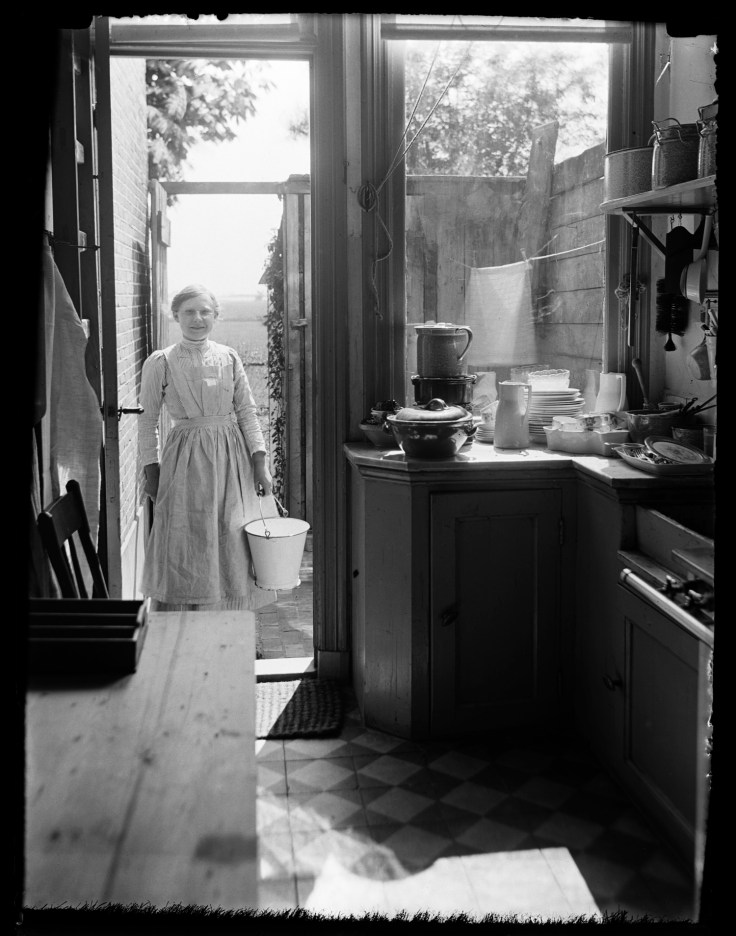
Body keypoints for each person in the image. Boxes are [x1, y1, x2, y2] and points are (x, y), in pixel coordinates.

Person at [138, 283, 277, 610]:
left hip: (232, 458)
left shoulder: (228, 357)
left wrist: (260, 463)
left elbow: (246, 411)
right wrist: (151, 471)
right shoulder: (161, 362)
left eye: (205, 311)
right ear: (175, 315)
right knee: (191, 533)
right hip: (185, 460)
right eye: (189, 311)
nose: (197, 318)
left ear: (216, 316)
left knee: (232, 533)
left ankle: (229, 621)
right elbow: (147, 421)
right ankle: (190, 616)